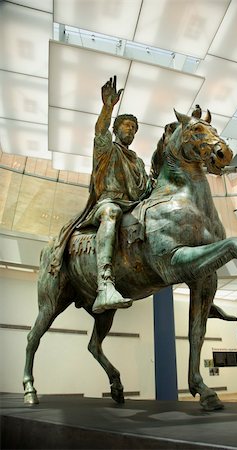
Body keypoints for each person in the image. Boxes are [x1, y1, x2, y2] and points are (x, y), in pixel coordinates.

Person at [50, 76, 148, 314]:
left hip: (133, 206)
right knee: (111, 211)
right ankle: (105, 284)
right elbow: (100, 129)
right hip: (106, 204)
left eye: (134, 128)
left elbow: (146, 189)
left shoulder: (139, 162)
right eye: (126, 126)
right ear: (116, 129)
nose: (131, 131)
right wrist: (108, 108)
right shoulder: (107, 149)